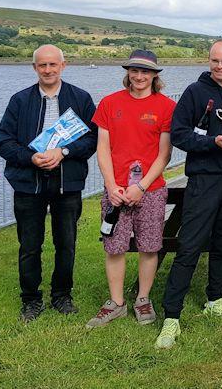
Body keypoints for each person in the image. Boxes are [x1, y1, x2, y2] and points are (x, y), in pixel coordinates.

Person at [155, 40, 222, 349]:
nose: (219, 66)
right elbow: (180, 134)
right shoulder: (194, 93)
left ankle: (215, 299)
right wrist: (213, 142)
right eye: (215, 60)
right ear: (208, 60)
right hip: (204, 179)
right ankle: (171, 316)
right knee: (190, 244)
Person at [0, 44, 97, 323]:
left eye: (53, 64)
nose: (48, 70)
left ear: (63, 66)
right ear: (35, 68)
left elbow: (92, 139)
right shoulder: (19, 101)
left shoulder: (81, 98)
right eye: (43, 65)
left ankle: (62, 296)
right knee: (30, 244)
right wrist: (31, 158)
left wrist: (63, 152)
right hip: (29, 183)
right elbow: (3, 142)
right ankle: (30, 300)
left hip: (68, 182)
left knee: (66, 243)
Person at [86, 50, 175, 329]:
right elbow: (102, 149)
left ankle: (143, 298)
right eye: (134, 71)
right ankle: (116, 303)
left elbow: (164, 155)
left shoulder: (166, 106)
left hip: (150, 189)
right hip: (116, 191)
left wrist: (142, 187)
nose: (139, 76)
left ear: (154, 75)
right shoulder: (109, 103)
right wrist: (112, 186)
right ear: (128, 72)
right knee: (114, 246)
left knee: (149, 247)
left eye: (145, 72)